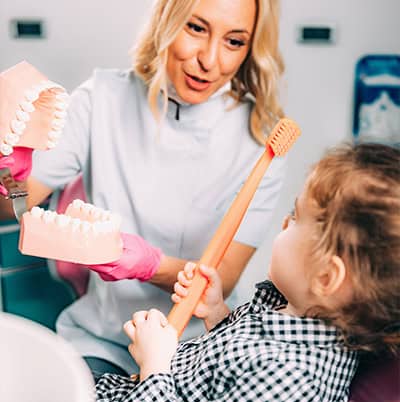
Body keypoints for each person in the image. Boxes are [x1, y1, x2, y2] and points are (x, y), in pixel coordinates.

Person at [91, 142, 400, 402]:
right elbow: (231, 371)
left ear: (327, 277)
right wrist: (217, 312)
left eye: (297, 217)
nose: (285, 223)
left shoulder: (294, 384)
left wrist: (155, 366)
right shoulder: (288, 315)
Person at [0, 0, 287, 378]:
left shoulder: (261, 140)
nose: (210, 60)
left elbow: (223, 279)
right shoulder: (101, 99)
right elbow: (13, 208)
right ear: (167, 20)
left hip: (197, 351)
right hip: (103, 340)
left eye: (234, 41)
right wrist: (9, 166)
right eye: (196, 29)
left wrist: (145, 264)